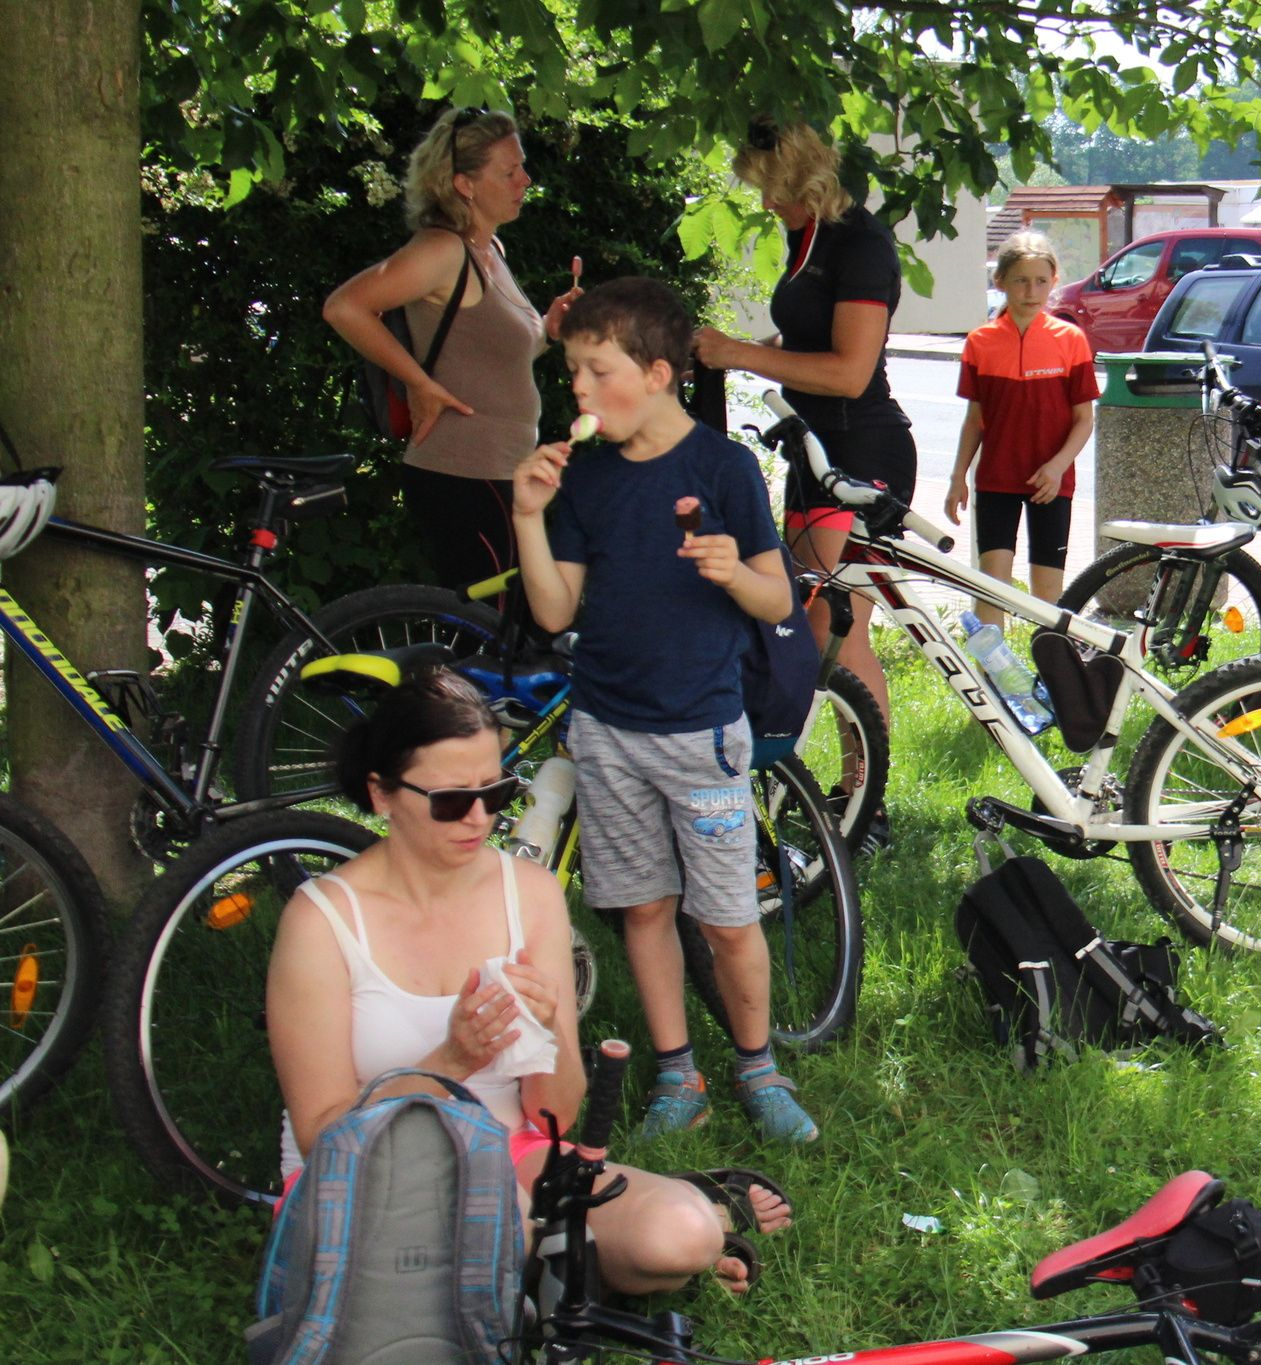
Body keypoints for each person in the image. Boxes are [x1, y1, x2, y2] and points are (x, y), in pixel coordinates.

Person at [266, 666, 792, 1294]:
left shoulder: (530, 894)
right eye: (451, 801)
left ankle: (585, 1256)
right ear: (381, 794)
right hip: (361, 1174)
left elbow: (553, 1117)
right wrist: (450, 1063)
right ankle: (559, 1269)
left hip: (511, 1154)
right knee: (502, 1225)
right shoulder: (322, 920)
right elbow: (321, 1136)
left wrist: (549, 1034)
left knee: (683, 1233)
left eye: (494, 794)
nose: (478, 819)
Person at [512, 277, 820, 1144]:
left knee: (726, 918)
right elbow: (554, 612)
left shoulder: (722, 468)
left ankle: (759, 1067)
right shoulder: (586, 480)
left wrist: (735, 572)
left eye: (595, 370)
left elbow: (778, 601)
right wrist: (528, 516)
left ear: (656, 374)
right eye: (572, 372)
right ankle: (679, 1073)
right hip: (607, 730)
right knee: (643, 908)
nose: (577, 388)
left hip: (702, 734)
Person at [693, 117, 913, 850]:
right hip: (817, 452)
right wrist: (735, 351)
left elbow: (849, 371)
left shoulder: (860, 245)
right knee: (815, 626)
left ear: (804, 181)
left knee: (834, 629)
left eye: (771, 189)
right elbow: (810, 337)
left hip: (864, 451)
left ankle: (866, 801)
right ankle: (842, 791)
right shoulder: (808, 237)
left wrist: (740, 354)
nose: (764, 204)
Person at [324, 107, 583, 589]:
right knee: (496, 620)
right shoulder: (443, 251)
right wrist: (418, 383)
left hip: (503, 471)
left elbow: (492, 358)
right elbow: (344, 308)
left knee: (510, 620)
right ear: (464, 184)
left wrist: (548, 330)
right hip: (463, 471)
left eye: (522, 167)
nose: (525, 180)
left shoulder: (491, 251)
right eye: (508, 172)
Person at [946, 232, 1099, 624]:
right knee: (992, 586)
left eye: (1041, 281)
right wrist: (958, 476)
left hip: (1051, 482)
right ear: (1000, 281)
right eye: (1021, 281)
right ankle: (989, 662)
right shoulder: (980, 342)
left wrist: (1058, 466)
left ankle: (1049, 662)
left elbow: (1084, 419)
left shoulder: (1071, 340)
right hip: (996, 479)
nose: (1032, 291)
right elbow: (975, 419)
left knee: (1047, 594)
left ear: (1054, 281)